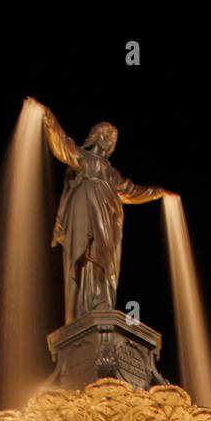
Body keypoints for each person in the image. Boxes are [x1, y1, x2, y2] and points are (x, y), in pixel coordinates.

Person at [33, 100, 170, 323]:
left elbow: (132, 190)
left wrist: (158, 192)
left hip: (108, 218)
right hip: (84, 207)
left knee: (105, 257)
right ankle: (82, 308)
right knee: (84, 254)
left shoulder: (112, 173)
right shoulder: (83, 159)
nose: (109, 140)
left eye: (113, 138)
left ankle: (101, 301)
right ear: (95, 136)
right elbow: (63, 147)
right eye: (105, 134)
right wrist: (49, 119)